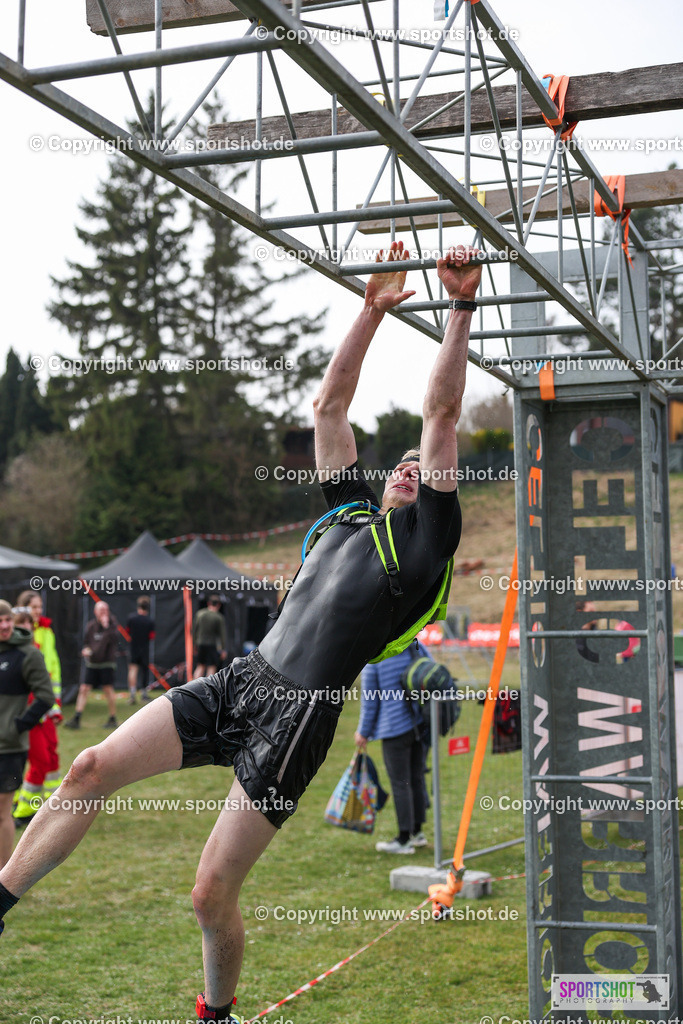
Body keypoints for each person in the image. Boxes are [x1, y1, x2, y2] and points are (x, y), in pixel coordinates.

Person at [0, 241, 480, 1024]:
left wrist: (456, 308)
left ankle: (215, 1014)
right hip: (242, 681)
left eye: (414, 468)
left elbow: (440, 415)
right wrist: (371, 309)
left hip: (299, 716)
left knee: (208, 892)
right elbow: (328, 409)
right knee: (88, 767)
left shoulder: (425, 544)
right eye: (393, 463)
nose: (403, 467)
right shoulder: (345, 518)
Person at [355, 641, 433, 854]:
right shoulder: (413, 643)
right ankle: (417, 833)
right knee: (415, 778)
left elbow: (371, 700)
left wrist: (363, 731)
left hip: (394, 728)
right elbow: (430, 669)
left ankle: (403, 839)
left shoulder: (376, 654)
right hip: (419, 724)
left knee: (401, 783)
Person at [0, 600, 55, 868]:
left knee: (1, 812)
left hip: (9, 747)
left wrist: (18, 726)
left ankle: (3, 876)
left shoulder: (27, 654)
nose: (5, 625)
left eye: (7, 620)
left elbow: (46, 696)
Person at [11, 591, 64, 827]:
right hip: (28, 713)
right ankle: (23, 809)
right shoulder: (16, 650)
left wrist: (54, 705)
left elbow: (52, 669)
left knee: (51, 755)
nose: (37, 612)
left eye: (39, 607)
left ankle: (50, 803)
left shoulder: (45, 633)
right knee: (38, 760)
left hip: (44, 708)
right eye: (33, 607)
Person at [65, 601, 122, 730]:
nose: (103, 612)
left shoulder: (112, 626)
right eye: (100, 610)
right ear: (95, 612)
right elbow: (86, 643)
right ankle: (77, 717)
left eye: (105, 610)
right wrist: (86, 650)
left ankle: (112, 718)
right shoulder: (91, 626)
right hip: (92, 663)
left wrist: (106, 626)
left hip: (106, 663)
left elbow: (114, 640)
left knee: (108, 689)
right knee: (84, 688)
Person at [126, 597, 155, 705]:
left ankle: (132, 694)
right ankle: (144, 694)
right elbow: (151, 636)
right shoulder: (150, 621)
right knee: (144, 671)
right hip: (144, 649)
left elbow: (127, 631)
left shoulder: (131, 618)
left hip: (133, 648)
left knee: (133, 670)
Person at [193, 597, 227, 678]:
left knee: (200, 666)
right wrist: (223, 649)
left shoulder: (199, 614)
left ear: (208, 603)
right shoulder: (218, 617)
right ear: (219, 605)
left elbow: (194, 630)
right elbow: (222, 634)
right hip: (212, 645)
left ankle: (192, 687)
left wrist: (194, 644)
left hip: (200, 644)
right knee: (211, 667)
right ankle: (208, 688)